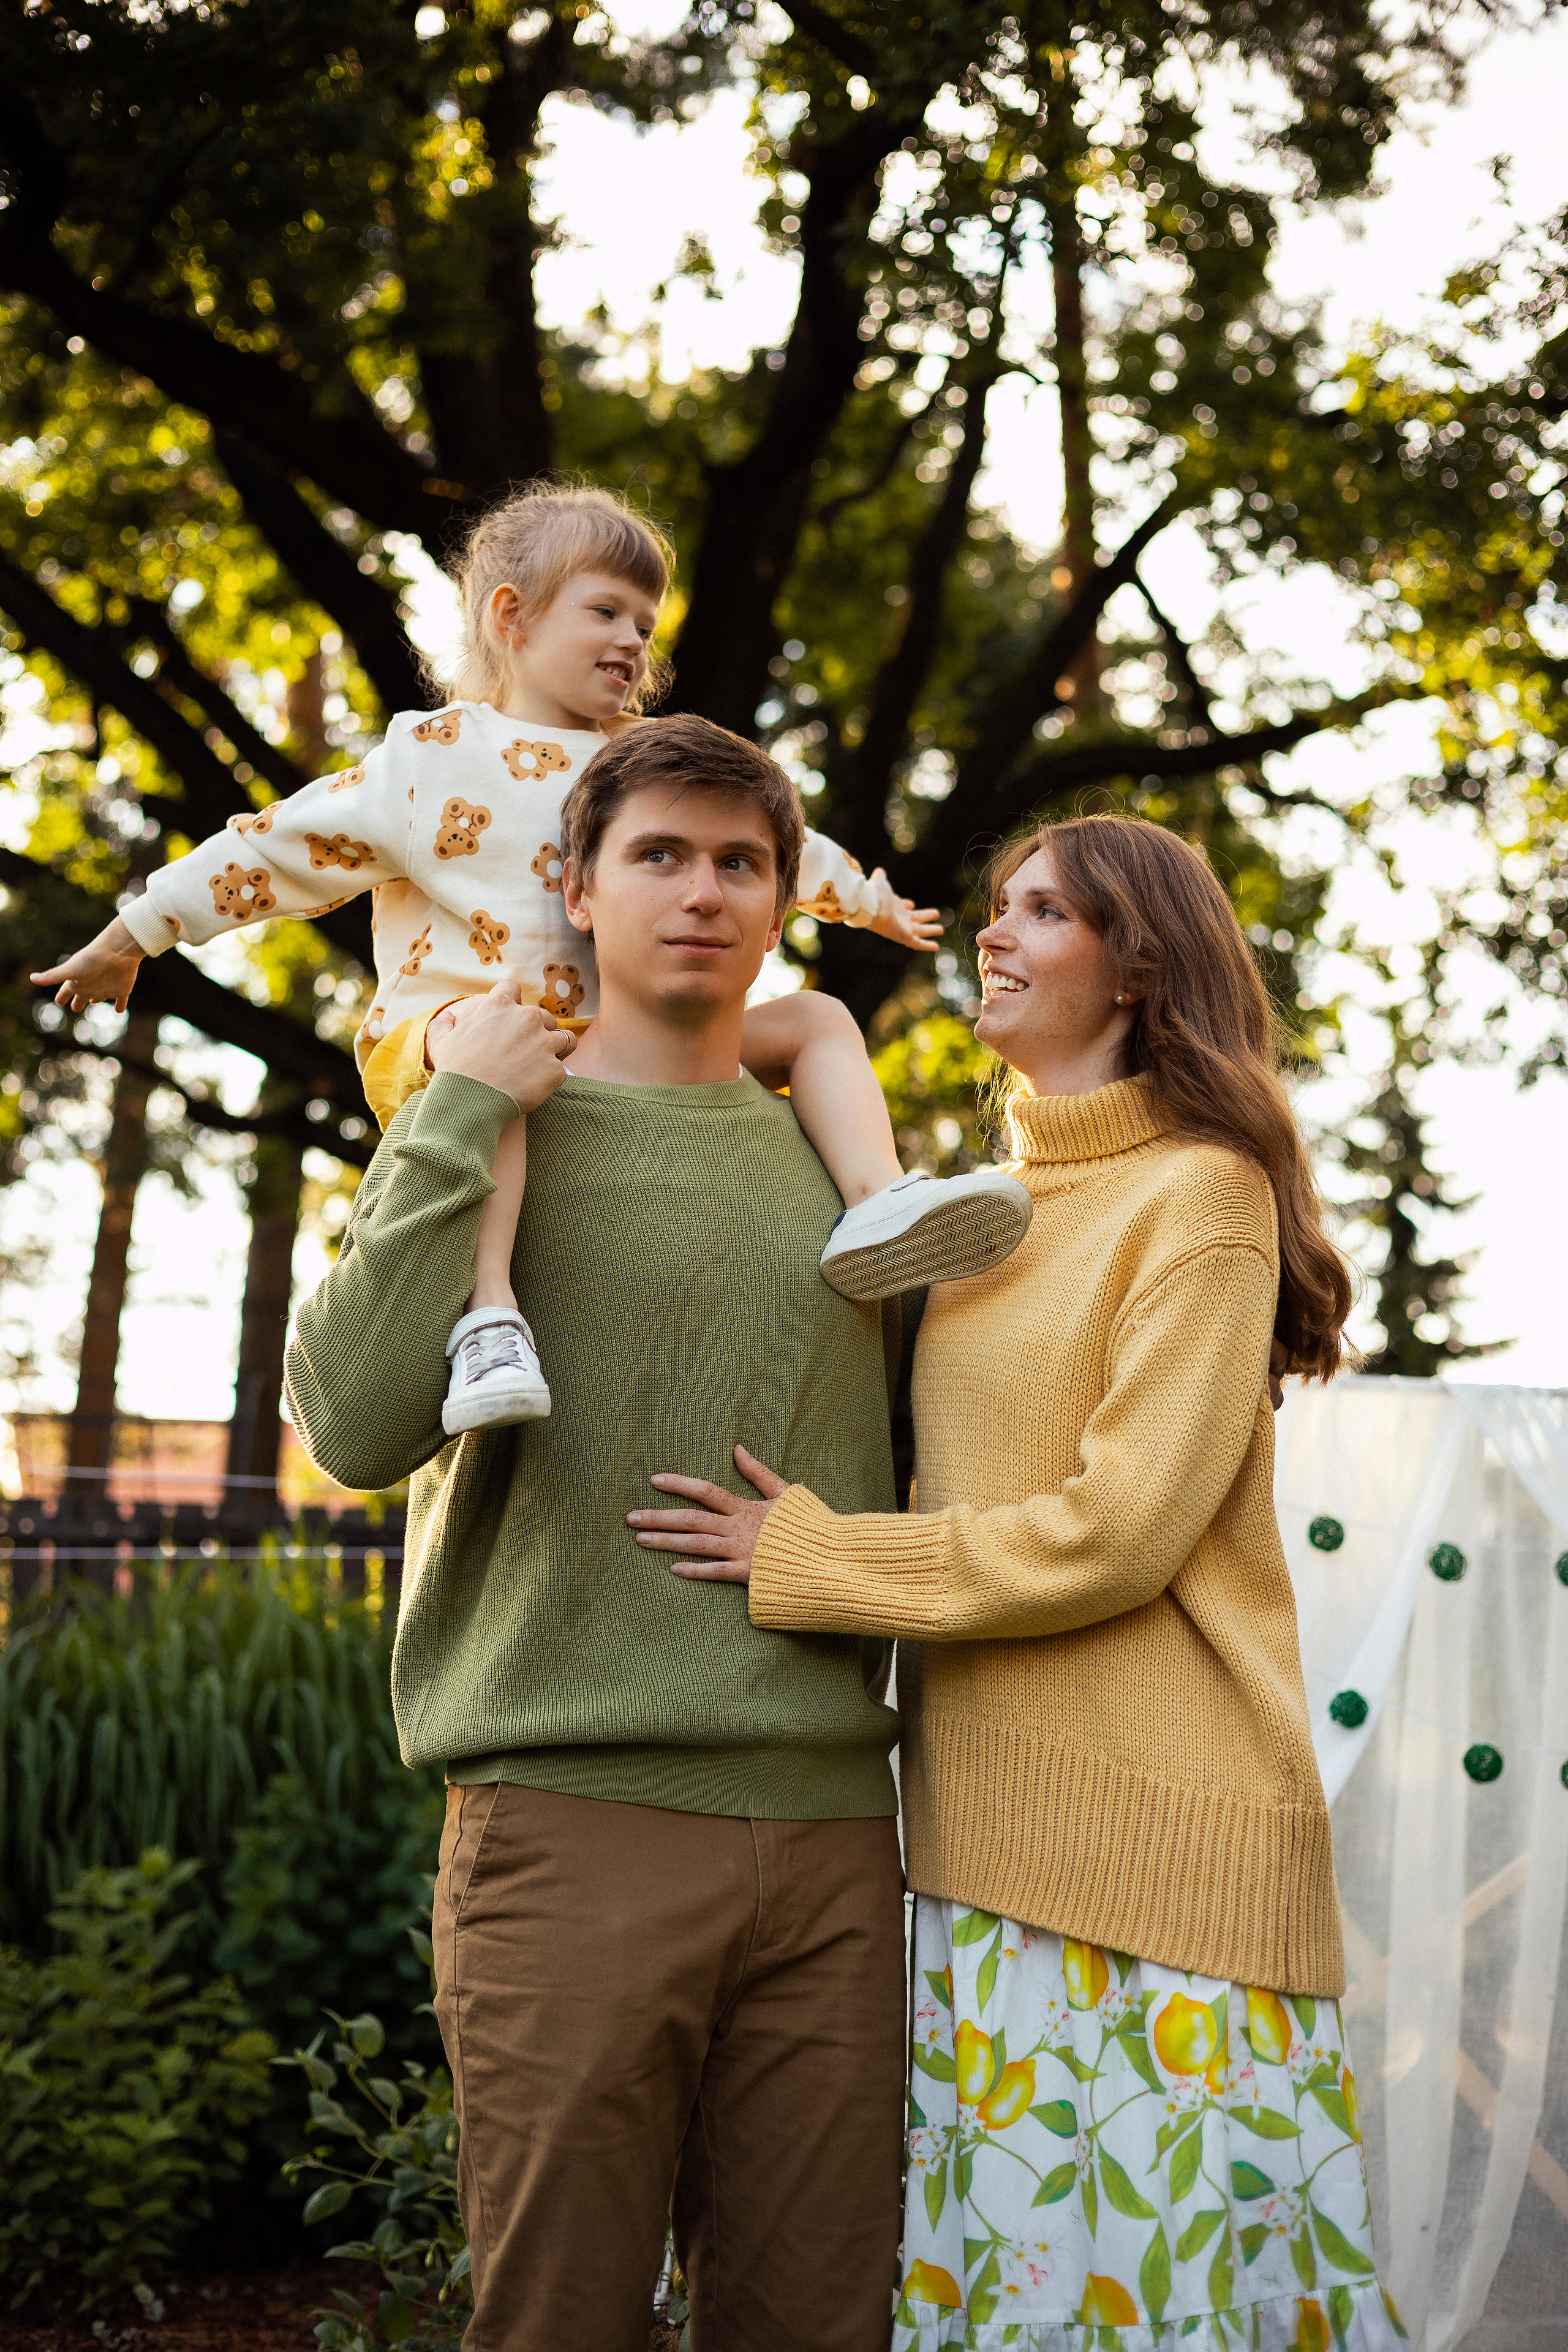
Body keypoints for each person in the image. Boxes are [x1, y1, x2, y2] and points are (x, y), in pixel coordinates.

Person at [628, 812, 1407, 2350]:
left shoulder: (1199, 1196)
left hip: (1155, 1861)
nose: (993, 934)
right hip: (975, 1857)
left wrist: (817, 1559)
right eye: (993, 907)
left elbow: (1116, 1532)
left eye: (1041, 913)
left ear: (1136, 966)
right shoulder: (978, 1208)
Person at [284, 716, 913, 2352]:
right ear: (571, 882)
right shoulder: (491, 1130)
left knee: (816, 2323)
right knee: (560, 2321)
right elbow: (351, 1431)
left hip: (843, 1834)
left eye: (739, 862)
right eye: (659, 853)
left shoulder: (854, 1169)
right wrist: (446, 1116)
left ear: (782, 899)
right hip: (572, 1821)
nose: (702, 890)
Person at [32, 483, 1030, 1437]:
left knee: (816, 1020)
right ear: (512, 615)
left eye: (647, 622)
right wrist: (133, 935)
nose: (634, 640)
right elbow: (273, 846)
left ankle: (876, 1205)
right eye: (608, 612)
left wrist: (866, 899)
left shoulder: (642, 760)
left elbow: (773, 836)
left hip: (610, 1047)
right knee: (502, 1050)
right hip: (453, 1042)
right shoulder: (429, 759)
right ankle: (490, 1320)